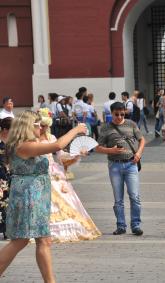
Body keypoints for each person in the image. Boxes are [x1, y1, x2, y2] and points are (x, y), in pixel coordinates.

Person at [0, 111, 86, 282]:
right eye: (38, 125)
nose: (41, 127)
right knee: (20, 240)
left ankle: (50, 281)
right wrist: (76, 130)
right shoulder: (23, 145)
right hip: (28, 197)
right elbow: (57, 146)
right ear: (28, 127)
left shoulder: (27, 143)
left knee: (43, 240)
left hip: (35, 197)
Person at [38, 110, 101, 242]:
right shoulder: (31, 140)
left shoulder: (52, 138)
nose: (42, 128)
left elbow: (61, 157)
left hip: (53, 173)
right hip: (38, 175)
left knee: (65, 202)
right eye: (40, 125)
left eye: (44, 125)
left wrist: (76, 153)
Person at [95, 102, 145, 236]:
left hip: (131, 165)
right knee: (118, 199)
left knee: (134, 196)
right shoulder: (106, 128)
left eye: (122, 114)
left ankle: (135, 225)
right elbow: (97, 147)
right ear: (111, 113)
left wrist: (139, 154)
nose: (119, 117)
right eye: (116, 114)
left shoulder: (131, 124)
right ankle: (121, 225)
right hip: (115, 166)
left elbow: (142, 140)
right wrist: (110, 150)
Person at [0, 117, 12, 240]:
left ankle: (7, 230)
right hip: (0, 176)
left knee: (8, 203)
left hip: (9, 176)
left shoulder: (13, 142)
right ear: (4, 129)